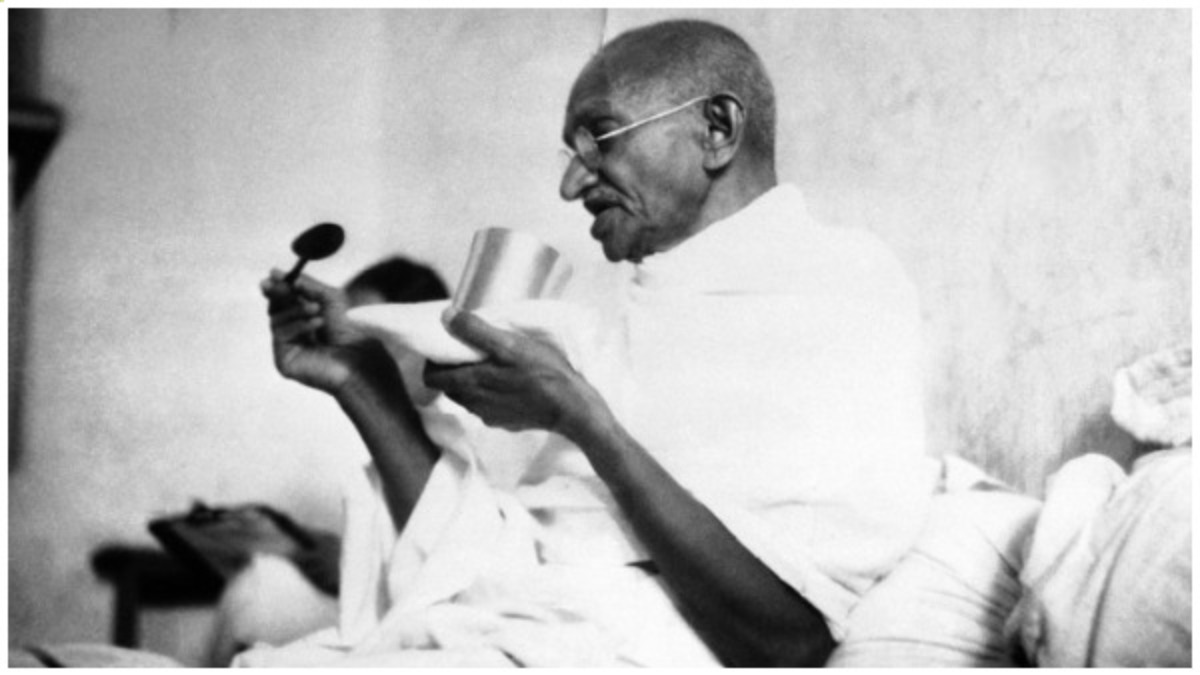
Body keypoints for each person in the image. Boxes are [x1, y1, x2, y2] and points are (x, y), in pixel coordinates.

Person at [257, 19, 934, 667]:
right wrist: (360, 381)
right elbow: (476, 566)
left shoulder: (840, 291)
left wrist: (583, 418)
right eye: (571, 153)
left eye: (601, 138)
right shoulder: (605, 313)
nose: (571, 183)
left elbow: (787, 644)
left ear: (717, 129)